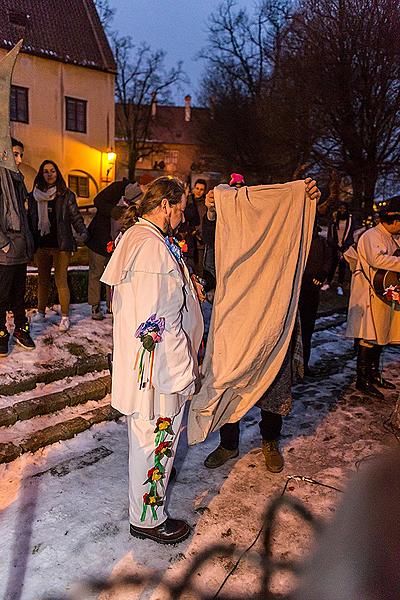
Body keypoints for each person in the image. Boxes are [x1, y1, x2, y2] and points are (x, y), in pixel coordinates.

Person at [191, 178, 320, 472]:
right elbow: (211, 251)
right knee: (230, 375)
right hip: (237, 318)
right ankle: (228, 443)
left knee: (274, 381)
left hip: (272, 316)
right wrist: (211, 209)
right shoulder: (230, 235)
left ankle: (270, 441)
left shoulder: (279, 235)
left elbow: (302, 235)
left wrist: (308, 199)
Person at [101, 176, 204, 544]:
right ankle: (147, 518)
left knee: (153, 438)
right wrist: (179, 366)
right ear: (165, 206)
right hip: (158, 370)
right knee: (154, 439)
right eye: (179, 209)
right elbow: (153, 321)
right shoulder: (149, 248)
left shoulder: (146, 240)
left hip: (156, 366)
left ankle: (148, 511)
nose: (181, 216)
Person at [345, 196, 400, 398]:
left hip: (383, 293)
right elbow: (378, 259)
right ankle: (363, 379)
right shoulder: (372, 235)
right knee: (369, 335)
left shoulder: (392, 236)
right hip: (368, 293)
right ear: (393, 220)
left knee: (380, 335)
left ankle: (374, 373)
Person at [28, 160, 88, 332]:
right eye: (46, 171)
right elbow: (31, 220)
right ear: (41, 174)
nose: (49, 174)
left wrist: (83, 233)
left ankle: (65, 316)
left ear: (57, 173)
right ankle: (40, 312)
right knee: (43, 281)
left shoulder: (66, 195)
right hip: (41, 245)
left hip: (61, 245)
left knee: (61, 280)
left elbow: (75, 217)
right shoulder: (34, 196)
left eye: (52, 171)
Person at [86, 179, 142, 320]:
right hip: (100, 239)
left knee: (114, 274)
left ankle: (112, 306)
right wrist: (113, 211)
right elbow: (98, 201)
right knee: (96, 273)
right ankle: (95, 305)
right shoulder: (117, 188)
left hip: (119, 242)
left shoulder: (140, 201)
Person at [0, 138, 35, 357]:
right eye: (16, 154)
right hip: (5, 250)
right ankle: (1, 332)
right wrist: (2, 244)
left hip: (21, 248)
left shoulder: (18, 180)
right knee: (2, 295)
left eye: (21, 154)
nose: (20, 159)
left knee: (18, 294)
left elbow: (24, 215)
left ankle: (21, 329)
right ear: (4, 155)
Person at [299, 222, 334, 376]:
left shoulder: (321, 243)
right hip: (296, 290)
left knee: (307, 329)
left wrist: (322, 275)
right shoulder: (296, 240)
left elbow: (329, 261)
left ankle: (304, 365)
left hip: (311, 290)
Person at [322, 202, 356, 295]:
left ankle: (340, 285)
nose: (342, 210)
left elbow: (351, 234)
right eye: (340, 208)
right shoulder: (334, 219)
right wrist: (334, 245)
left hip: (345, 246)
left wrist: (344, 247)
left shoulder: (350, 220)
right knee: (332, 264)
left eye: (344, 208)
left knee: (342, 266)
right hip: (335, 246)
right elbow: (330, 233)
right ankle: (328, 282)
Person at [181, 178, 207, 274]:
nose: (198, 191)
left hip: (200, 241)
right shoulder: (187, 201)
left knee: (200, 268)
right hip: (187, 239)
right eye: (197, 188)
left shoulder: (205, 204)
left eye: (201, 189)